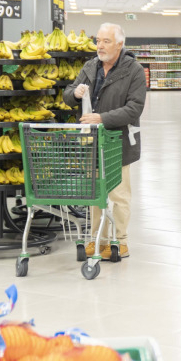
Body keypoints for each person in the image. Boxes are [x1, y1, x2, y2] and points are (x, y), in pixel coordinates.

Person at [64, 23, 147, 261]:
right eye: (98, 40)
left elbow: (134, 108)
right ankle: (98, 240)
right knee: (97, 194)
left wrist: (102, 118)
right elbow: (67, 94)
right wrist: (74, 94)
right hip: (93, 141)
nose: (100, 45)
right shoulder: (90, 67)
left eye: (106, 41)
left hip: (119, 140)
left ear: (120, 44)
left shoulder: (134, 71)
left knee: (119, 195)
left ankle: (120, 242)